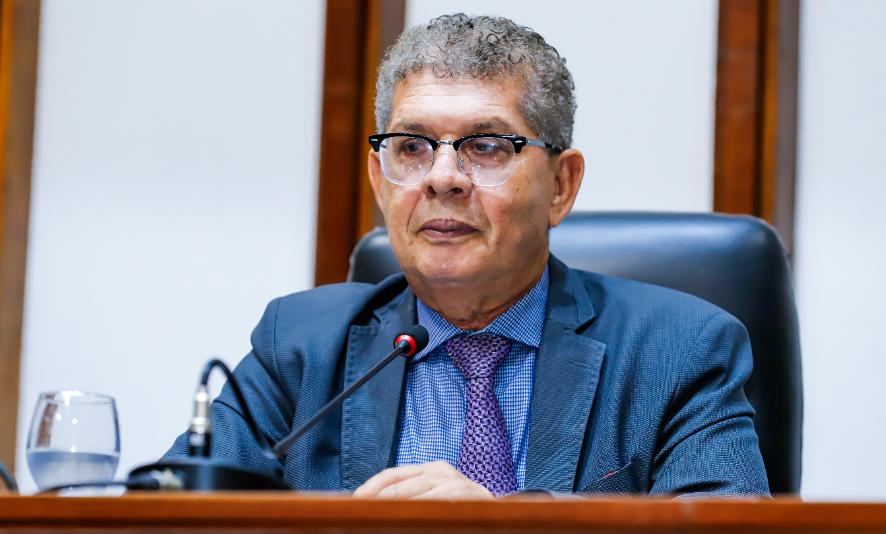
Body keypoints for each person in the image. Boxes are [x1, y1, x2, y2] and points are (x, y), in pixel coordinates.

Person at [166, 13, 769, 498]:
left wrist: (502, 528)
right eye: (412, 147)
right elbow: (175, 514)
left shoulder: (680, 350)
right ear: (379, 180)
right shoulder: (299, 346)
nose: (442, 178)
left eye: (485, 146)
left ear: (561, 186)